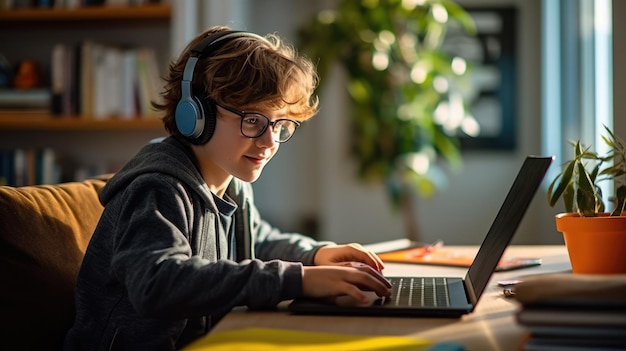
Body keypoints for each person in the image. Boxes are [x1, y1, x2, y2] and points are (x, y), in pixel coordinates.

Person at [64, 26, 392, 350]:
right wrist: (298, 279)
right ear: (196, 114)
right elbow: (157, 282)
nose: (269, 142)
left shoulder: (228, 179)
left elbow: (254, 239)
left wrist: (316, 255)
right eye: (253, 120)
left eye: (279, 124)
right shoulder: (157, 189)